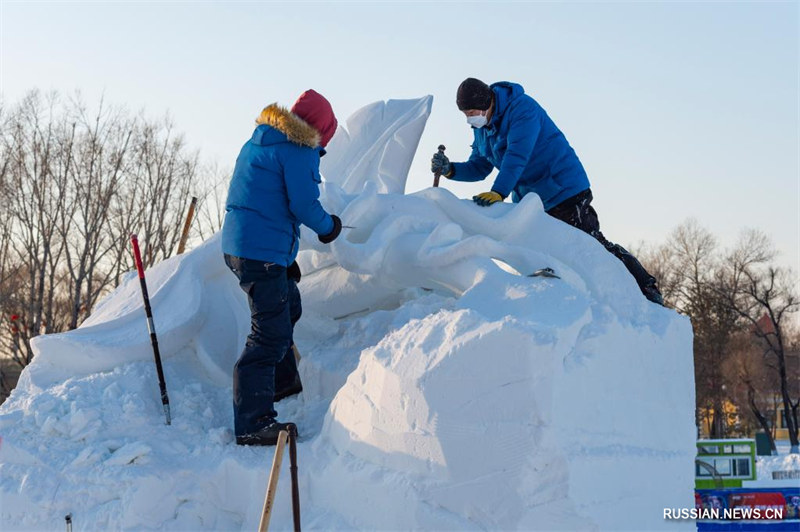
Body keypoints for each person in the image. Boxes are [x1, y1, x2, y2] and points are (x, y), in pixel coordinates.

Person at [431, 78, 663, 305]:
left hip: (564, 187)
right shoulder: (482, 128)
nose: (470, 118)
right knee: (546, 250)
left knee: (592, 246)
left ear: (487, 103)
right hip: (532, 200)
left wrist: (499, 192)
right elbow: (480, 166)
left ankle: (645, 287)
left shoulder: (522, 109)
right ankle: (559, 298)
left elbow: (517, 155)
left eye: (472, 111)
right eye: (466, 114)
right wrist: (451, 170)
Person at [222, 89, 343, 446]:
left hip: (247, 246)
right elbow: (305, 205)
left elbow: (266, 199)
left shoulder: (261, 141)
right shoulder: (298, 149)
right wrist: (329, 227)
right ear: (320, 130)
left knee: (288, 306)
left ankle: (282, 381)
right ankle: (252, 422)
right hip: (262, 251)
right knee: (269, 334)